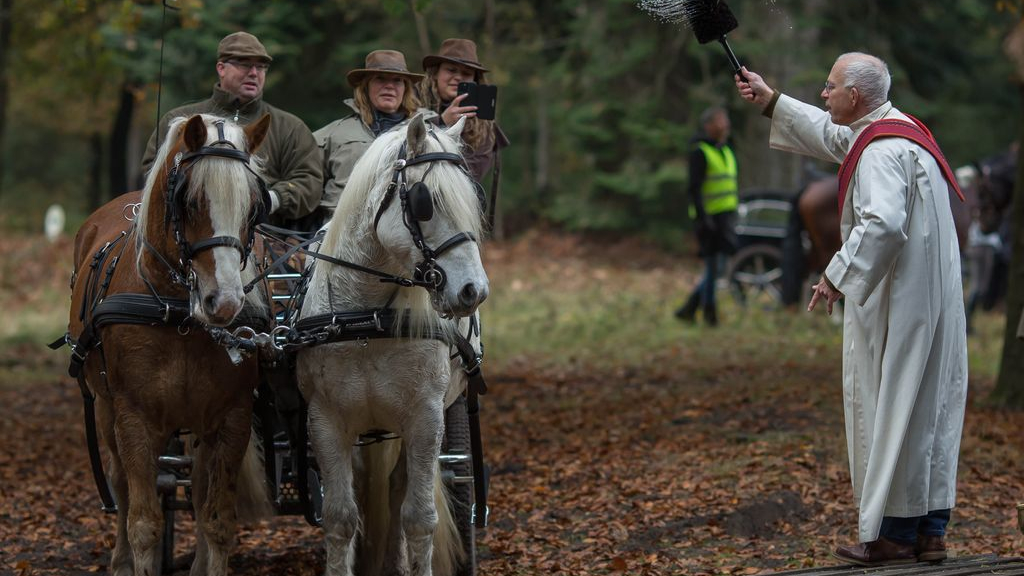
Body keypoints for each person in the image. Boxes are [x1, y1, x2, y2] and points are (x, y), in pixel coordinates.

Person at [735, 53, 968, 566]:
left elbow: (882, 223)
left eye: (830, 86)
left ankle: (897, 535)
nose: (823, 93)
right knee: (928, 406)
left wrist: (836, 275)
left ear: (855, 97)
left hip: (902, 303)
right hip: (928, 301)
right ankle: (930, 533)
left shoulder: (883, 152)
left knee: (898, 404)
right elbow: (834, 136)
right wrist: (772, 100)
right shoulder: (894, 130)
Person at [142, 32, 323, 229]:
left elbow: (309, 181)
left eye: (261, 67)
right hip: (191, 238)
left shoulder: (289, 127)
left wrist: (271, 198)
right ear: (221, 68)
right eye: (245, 65)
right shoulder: (180, 121)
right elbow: (153, 171)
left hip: (267, 239)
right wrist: (197, 193)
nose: (254, 73)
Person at [313, 50, 435, 225]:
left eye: (397, 80)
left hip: (404, 241)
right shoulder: (331, 135)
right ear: (365, 86)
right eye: (380, 78)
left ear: (406, 88)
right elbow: (305, 186)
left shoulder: (428, 135)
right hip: (338, 241)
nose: (390, 86)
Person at [674, 107, 739, 326]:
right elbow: (694, 189)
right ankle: (709, 313)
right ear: (708, 125)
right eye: (720, 121)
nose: (726, 125)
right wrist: (704, 219)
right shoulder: (700, 152)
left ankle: (689, 308)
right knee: (713, 266)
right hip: (709, 219)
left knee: (718, 267)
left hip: (726, 217)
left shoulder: (727, 150)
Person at [418, 38, 510, 185]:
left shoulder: (483, 125)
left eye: (466, 73)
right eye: (451, 70)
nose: (458, 77)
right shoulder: (412, 105)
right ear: (436, 73)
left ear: (475, 80)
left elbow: (471, 175)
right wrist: (441, 122)